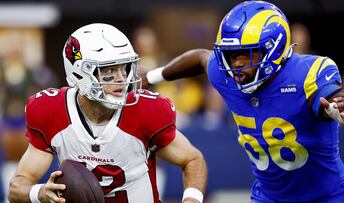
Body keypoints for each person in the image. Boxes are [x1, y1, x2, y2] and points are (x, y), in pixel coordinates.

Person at [142, 1, 344, 202]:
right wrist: (151, 77)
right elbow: (200, 58)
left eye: (245, 55)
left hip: (328, 197)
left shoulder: (306, 73)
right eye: (231, 55)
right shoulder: (224, 73)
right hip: (269, 197)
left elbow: (338, 97)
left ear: (273, 50)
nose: (235, 65)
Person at [8, 23, 207, 203]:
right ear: (79, 73)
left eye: (125, 68)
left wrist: (191, 200)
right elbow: (17, 187)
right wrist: (39, 193)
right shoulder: (50, 110)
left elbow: (192, 159)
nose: (121, 79)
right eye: (109, 70)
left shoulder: (146, 110)